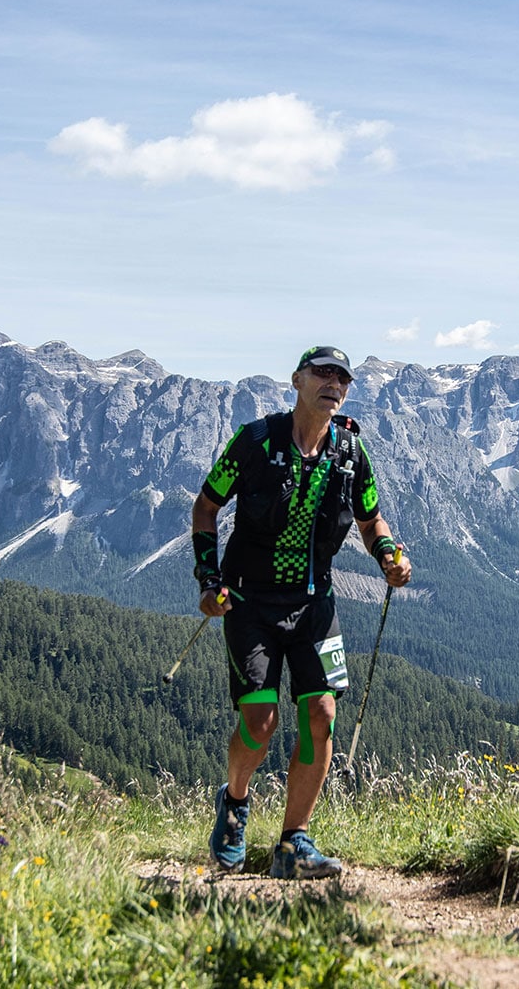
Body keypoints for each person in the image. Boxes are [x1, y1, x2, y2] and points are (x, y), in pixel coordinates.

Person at [192, 345, 413, 879]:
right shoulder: (253, 442)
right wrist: (209, 578)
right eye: (322, 373)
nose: (333, 384)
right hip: (249, 602)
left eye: (342, 378)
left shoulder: (352, 454)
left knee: (322, 715)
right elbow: (206, 506)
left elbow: (371, 518)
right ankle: (236, 804)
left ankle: (294, 843)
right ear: (297, 380)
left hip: (317, 602)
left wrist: (388, 553)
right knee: (260, 722)